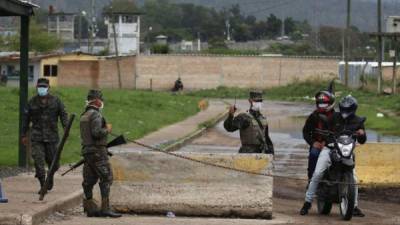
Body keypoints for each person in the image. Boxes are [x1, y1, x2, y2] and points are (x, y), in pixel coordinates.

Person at [300, 95, 367, 217]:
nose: (345, 112)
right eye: (343, 109)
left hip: (347, 150)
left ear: (354, 109)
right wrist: (325, 135)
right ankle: (307, 202)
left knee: (355, 178)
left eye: (348, 110)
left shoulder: (358, 121)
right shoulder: (334, 117)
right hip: (330, 148)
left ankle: (354, 206)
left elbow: (362, 140)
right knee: (318, 172)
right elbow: (325, 129)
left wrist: (362, 134)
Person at [21, 78, 68, 193]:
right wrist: (23, 135)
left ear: (48, 88)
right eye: (39, 87)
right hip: (37, 137)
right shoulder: (31, 102)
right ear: (37, 87)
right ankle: (43, 185)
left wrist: (66, 128)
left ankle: (49, 177)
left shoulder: (56, 101)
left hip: (52, 137)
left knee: (54, 164)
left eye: (44, 87)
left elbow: (63, 115)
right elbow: (25, 120)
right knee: (38, 162)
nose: (41, 89)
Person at [80, 90, 121, 218]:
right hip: (98, 152)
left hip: (87, 152)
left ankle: (90, 208)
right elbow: (97, 133)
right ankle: (105, 208)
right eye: (101, 100)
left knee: (89, 180)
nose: (102, 102)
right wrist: (107, 130)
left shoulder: (85, 115)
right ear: (97, 101)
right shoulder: (96, 115)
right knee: (106, 178)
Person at [303, 90, 336, 181]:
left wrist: (327, 142)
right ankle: (311, 180)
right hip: (317, 145)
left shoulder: (337, 116)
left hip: (333, 145)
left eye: (324, 104)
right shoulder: (313, 116)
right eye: (320, 104)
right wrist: (313, 143)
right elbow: (305, 132)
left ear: (331, 104)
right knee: (313, 154)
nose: (322, 106)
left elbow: (340, 132)